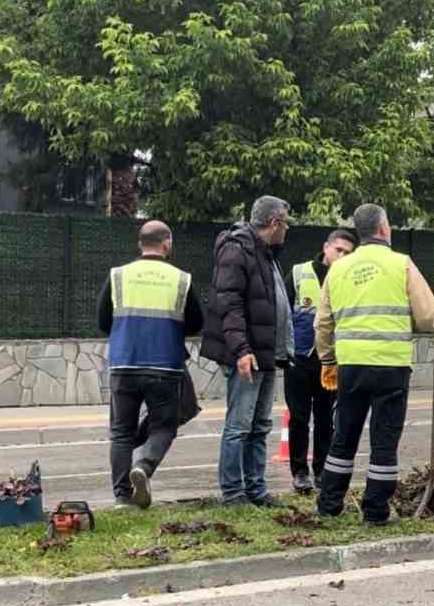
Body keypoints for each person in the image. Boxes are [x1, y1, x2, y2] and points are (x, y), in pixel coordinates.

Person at [314, 203, 434, 525]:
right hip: (390, 368)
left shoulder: (339, 269)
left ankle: (329, 505)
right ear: (384, 228)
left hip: (350, 368)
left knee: (344, 436)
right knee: (384, 442)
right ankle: (375, 511)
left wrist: (328, 361)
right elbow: (428, 317)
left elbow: (323, 323)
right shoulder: (401, 264)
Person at [96, 221, 203, 509]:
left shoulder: (118, 276)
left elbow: (102, 321)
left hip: (124, 364)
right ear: (167, 243)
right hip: (164, 366)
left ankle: (122, 497)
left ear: (140, 243)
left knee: (121, 432)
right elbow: (196, 323)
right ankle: (143, 466)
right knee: (164, 426)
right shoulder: (181, 279)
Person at [200, 196, 294, 508]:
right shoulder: (237, 249)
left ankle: (256, 489)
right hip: (249, 355)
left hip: (266, 354)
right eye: (286, 224)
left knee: (260, 425)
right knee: (239, 425)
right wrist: (241, 349)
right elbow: (229, 303)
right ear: (275, 222)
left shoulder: (265, 254)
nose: (288, 231)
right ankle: (234, 493)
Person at [285, 229, 358, 493]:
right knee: (299, 417)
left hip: (332, 359)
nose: (342, 256)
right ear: (326, 247)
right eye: (338, 250)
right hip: (301, 358)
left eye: (348, 253)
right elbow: (284, 311)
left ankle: (321, 470)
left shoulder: (350, 278)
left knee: (326, 418)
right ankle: (299, 472)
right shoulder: (298, 273)